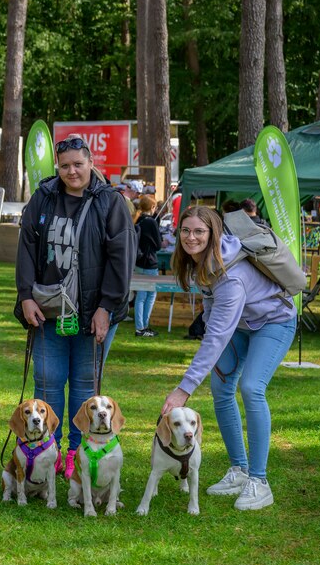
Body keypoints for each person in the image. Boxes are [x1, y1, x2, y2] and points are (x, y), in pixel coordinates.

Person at [160, 205, 297, 511]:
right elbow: (212, 315)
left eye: (199, 231)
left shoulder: (230, 277)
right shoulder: (201, 264)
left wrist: (184, 389)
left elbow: (217, 336)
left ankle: (259, 482)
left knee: (251, 388)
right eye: (185, 230)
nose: (190, 237)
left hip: (275, 321)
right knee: (222, 388)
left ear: (213, 235)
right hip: (243, 325)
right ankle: (239, 469)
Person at [15, 134, 136, 480]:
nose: (72, 172)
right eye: (65, 165)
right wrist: (26, 295)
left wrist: (107, 307)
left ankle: (78, 456)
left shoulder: (110, 202)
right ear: (58, 166)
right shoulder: (43, 197)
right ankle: (46, 454)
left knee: (86, 388)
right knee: (48, 384)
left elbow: (121, 258)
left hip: (92, 313)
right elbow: (25, 248)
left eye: (78, 164)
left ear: (91, 163)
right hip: (48, 311)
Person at [133, 195, 161, 337]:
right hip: (149, 262)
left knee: (141, 295)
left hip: (139, 261)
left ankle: (141, 327)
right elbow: (158, 244)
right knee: (149, 295)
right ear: (152, 207)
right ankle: (142, 326)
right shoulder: (151, 222)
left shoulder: (138, 220)